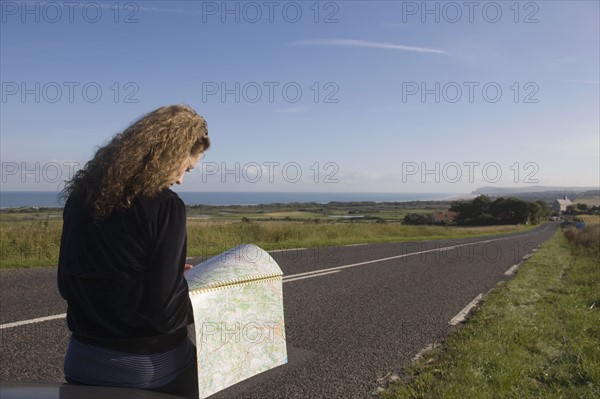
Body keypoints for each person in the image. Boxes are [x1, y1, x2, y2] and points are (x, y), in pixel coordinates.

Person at [57, 104, 210, 398]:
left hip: (81, 361)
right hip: (147, 369)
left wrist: (156, 277)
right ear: (167, 155)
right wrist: (212, 299)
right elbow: (166, 314)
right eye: (185, 167)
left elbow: (67, 284)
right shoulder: (166, 206)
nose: (180, 179)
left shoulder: (80, 198)